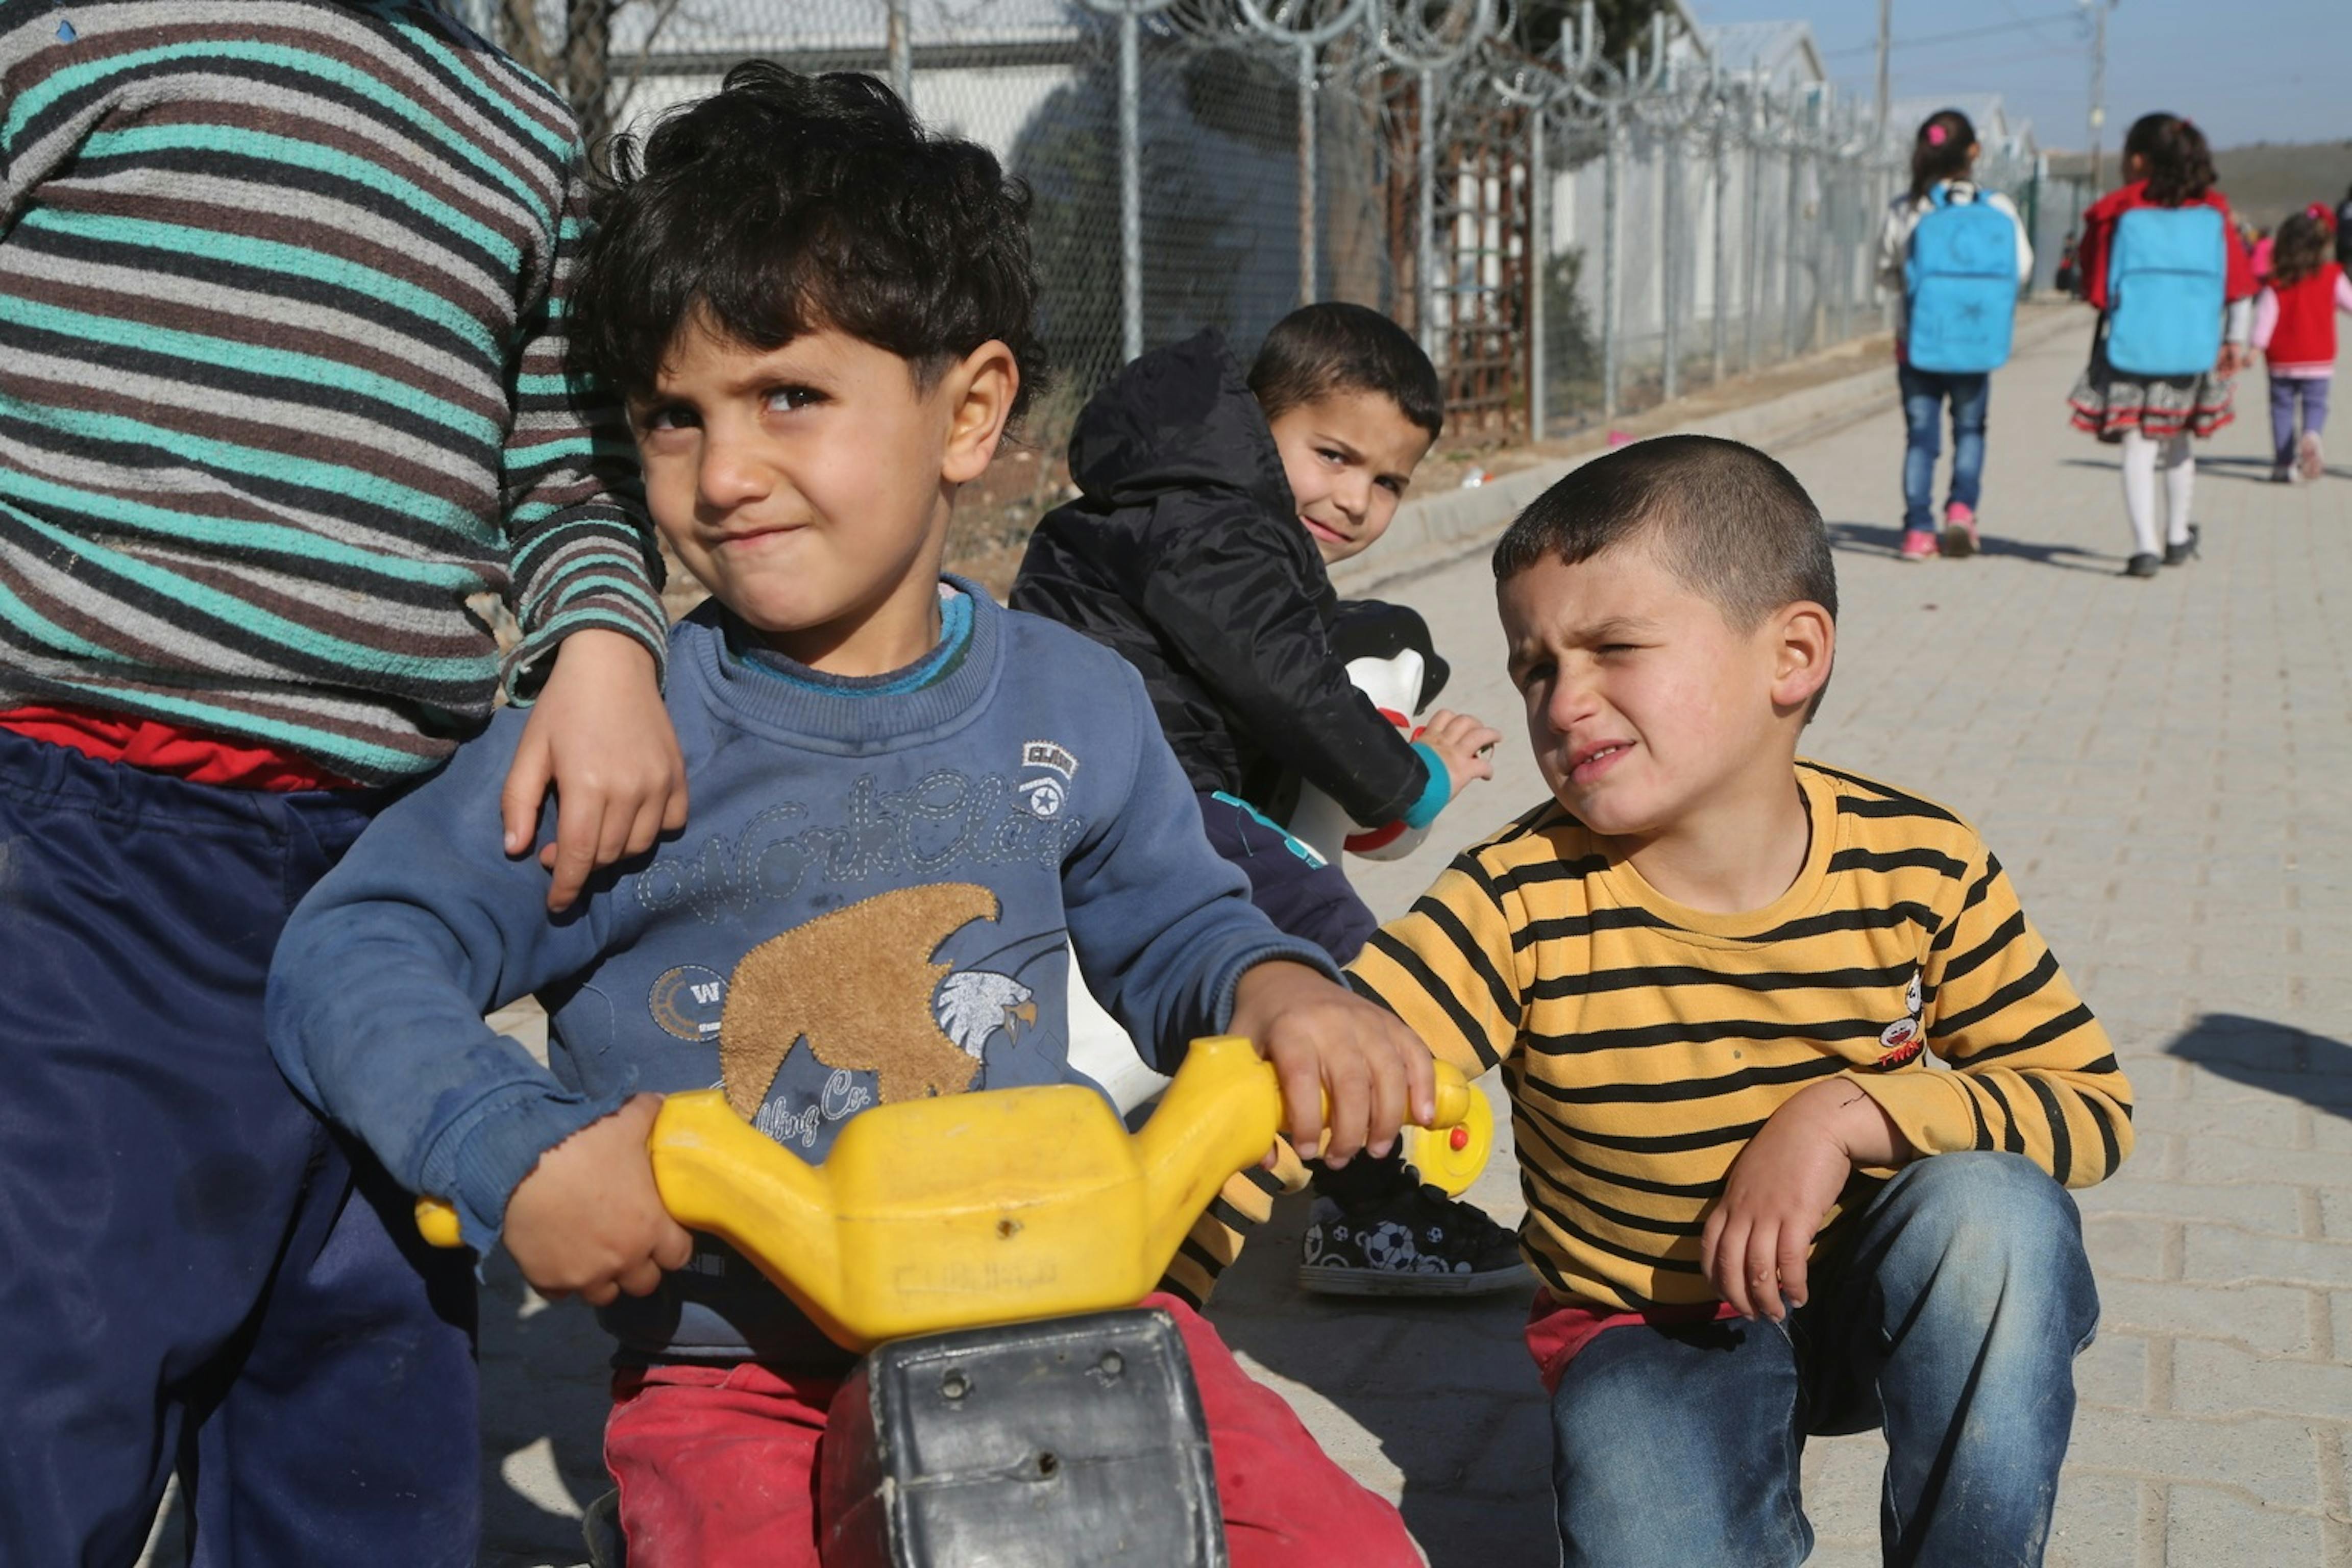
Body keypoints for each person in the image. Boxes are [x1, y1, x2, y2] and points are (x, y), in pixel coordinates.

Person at [267, 65, 1429, 1568]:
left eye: (789, 397)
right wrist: (509, 1143)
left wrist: (1279, 987)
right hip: (736, 1370)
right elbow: (356, 944)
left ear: (970, 410)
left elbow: (1175, 913)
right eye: (671, 418)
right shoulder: (623, 739)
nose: (722, 473)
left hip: (1064, 1297)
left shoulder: (1070, 702)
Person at [0, 3, 687, 1562]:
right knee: (50, 1375)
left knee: (366, 1408)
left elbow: (569, 457)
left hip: (379, 870)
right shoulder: (84, 30)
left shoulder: (521, 129)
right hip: (75, 839)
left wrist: (602, 641)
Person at [1348, 435, 2136, 1568]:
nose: (1565, 701)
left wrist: (1844, 1114)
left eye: (1615, 648)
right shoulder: (1512, 901)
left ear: (1792, 656)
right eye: (1535, 666)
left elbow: (2090, 1107)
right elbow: (1324, 1074)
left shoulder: (1917, 862)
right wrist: (1148, 1284)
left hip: (1867, 1298)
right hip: (1653, 1329)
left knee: (1998, 1218)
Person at [1011, 304, 1527, 1298]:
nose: (1354, 499)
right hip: (1143, 787)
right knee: (1344, 947)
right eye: (1332, 456)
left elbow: (1302, 649)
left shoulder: (1190, 504)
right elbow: (1290, 680)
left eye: (1387, 482)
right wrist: (1407, 779)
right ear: (1259, 424)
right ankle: (1369, 1212)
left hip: (1111, 771)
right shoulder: (1217, 526)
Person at [2066, 113, 2256, 578]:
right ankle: (2177, 537)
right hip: (2193, 349)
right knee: (2178, 439)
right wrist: (2236, 338)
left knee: (2138, 442)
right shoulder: (2213, 214)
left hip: (2132, 348)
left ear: (2137, 159)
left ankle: (2144, 547)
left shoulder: (2118, 211)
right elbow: (2240, 286)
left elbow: (2094, 287)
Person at [1875, 108, 2032, 561]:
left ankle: (1918, 532)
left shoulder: (1907, 208)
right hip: (1977, 343)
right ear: (1974, 152)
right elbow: (2020, 268)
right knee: (1970, 430)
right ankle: (1962, 510)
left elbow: (1886, 272)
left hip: (1918, 341)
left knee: (1920, 438)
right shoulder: (1997, 208)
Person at [2253, 206, 2350, 482]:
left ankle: (2284, 465)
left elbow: (2265, 318)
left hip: (2281, 360)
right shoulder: (2332, 276)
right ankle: (2312, 435)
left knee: (2281, 408)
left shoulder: (2277, 282)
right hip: (2319, 357)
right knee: (2316, 404)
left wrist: (2255, 348)